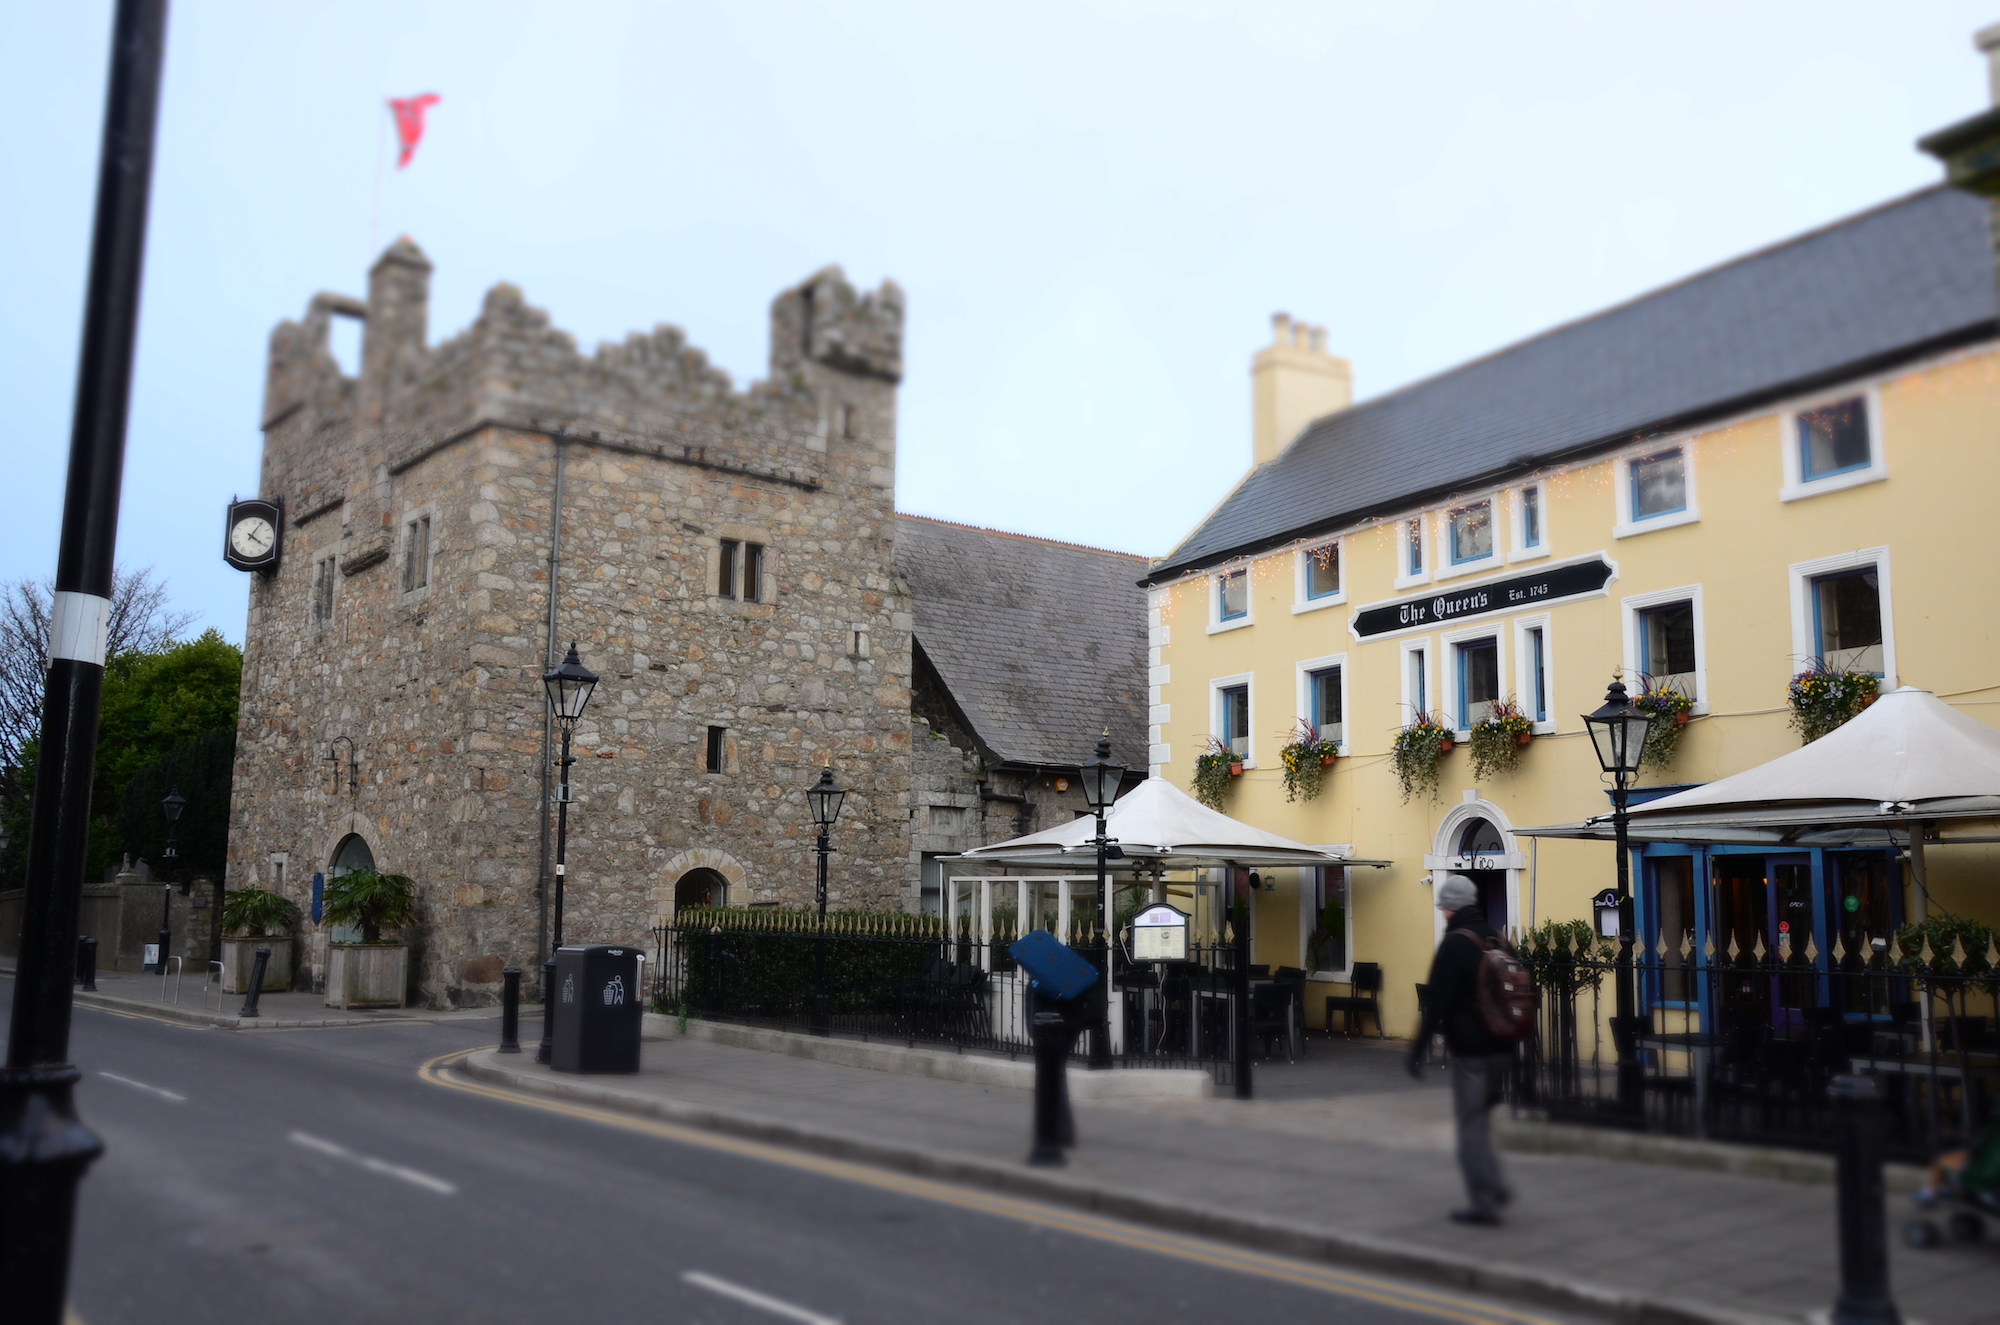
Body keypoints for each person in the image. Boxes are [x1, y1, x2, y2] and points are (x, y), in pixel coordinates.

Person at [1406, 873, 1512, 1225]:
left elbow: (1437, 1002)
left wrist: (1417, 1050)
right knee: (1480, 1121)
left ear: (1450, 909)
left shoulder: (1455, 943)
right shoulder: (1495, 937)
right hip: (1503, 1046)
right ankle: (1494, 1185)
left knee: (1470, 1126)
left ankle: (1484, 1203)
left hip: (1472, 1050)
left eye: (1443, 907)